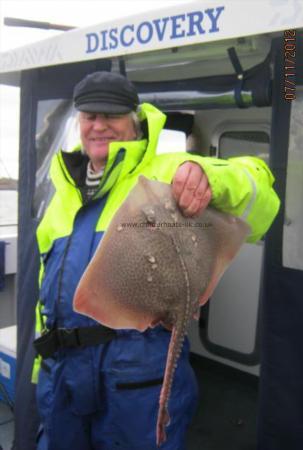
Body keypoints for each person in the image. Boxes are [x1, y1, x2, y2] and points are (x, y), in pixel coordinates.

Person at [32, 71, 280, 450]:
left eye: (110, 116)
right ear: (78, 122)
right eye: (89, 116)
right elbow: (44, 292)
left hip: (136, 372)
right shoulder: (62, 192)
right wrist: (40, 370)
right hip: (63, 374)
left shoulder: (166, 171)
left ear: (134, 120)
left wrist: (210, 176)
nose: (98, 126)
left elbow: (260, 192)